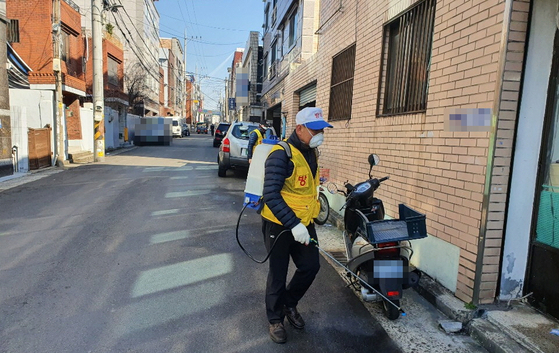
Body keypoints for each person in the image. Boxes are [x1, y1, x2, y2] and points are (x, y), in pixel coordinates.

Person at [260, 107, 333, 343]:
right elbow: (270, 193)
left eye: (321, 130)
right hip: (279, 225)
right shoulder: (281, 154)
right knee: (278, 273)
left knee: (311, 266)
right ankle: (275, 320)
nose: (319, 134)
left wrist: (302, 222)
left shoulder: (312, 152)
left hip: (304, 223)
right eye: (315, 130)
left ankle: (288, 304)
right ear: (299, 128)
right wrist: (292, 224)